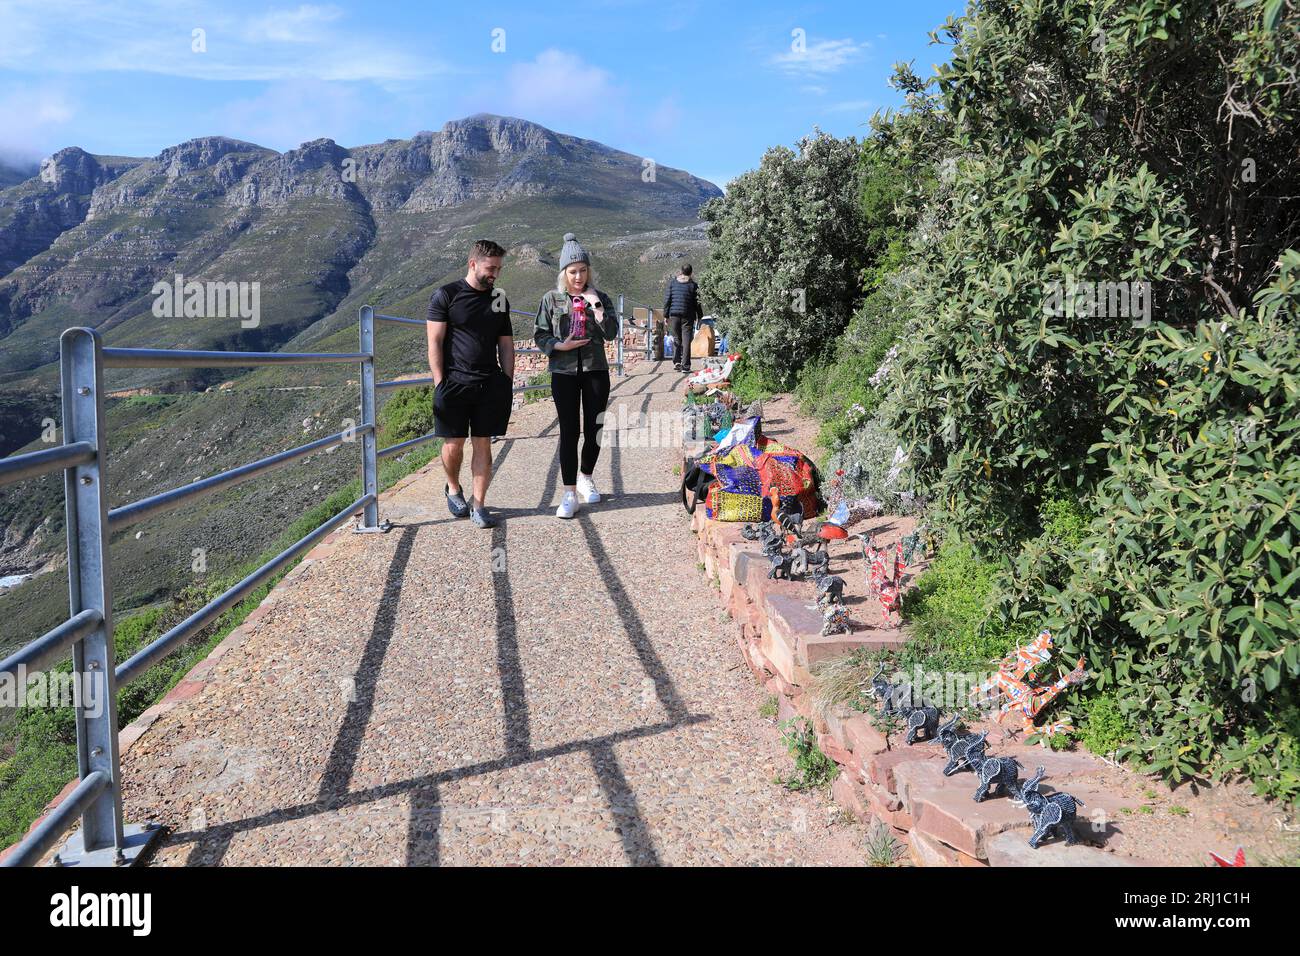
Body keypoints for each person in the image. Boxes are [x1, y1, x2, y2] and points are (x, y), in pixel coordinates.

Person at [426, 239, 515, 529]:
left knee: (483, 445)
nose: (495, 275)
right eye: (491, 268)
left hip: (489, 384)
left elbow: (506, 344)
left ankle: (479, 505)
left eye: (499, 269)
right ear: (473, 264)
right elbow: (435, 342)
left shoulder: (499, 297)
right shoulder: (446, 295)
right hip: (454, 383)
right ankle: (453, 487)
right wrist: (440, 383)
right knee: (453, 445)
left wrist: (507, 380)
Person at [534, 233, 620, 519]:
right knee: (569, 431)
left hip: (596, 370)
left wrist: (595, 305)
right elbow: (540, 333)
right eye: (573, 271)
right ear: (563, 273)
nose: (579, 277)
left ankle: (586, 476)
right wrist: (560, 346)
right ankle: (569, 493)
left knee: (594, 428)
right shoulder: (551, 299)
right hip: (564, 372)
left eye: (583, 270)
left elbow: (610, 332)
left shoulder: (601, 297)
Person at [663, 262, 703, 372]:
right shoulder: (693, 285)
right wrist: (699, 316)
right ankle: (685, 366)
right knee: (686, 341)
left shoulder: (673, 283)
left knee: (676, 338)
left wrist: (665, 315)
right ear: (691, 273)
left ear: (681, 271)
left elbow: (667, 300)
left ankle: (676, 362)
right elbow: (697, 303)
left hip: (674, 315)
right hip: (688, 316)